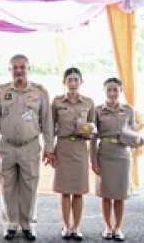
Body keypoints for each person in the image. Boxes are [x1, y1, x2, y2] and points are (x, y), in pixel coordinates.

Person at [0, 54, 54, 241]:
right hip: (7, 147)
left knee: (30, 186)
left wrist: (49, 147)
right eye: (14, 68)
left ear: (28, 69)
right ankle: (11, 223)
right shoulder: (1, 92)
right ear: (10, 71)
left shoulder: (39, 92)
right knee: (7, 186)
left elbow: (47, 122)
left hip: (30, 146)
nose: (18, 71)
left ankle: (28, 224)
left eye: (22, 67)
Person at [51, 67, 96, 241]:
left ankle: (76, 227)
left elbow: (93, 131)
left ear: (81, 82)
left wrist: (88, 134)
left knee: (78, 192)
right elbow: (50, 128)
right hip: (62, 147)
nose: (72, 83)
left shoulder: (89, 103)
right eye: (69, 79)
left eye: (76, 79)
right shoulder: (56, 102)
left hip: (79, 148)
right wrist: (50, 150)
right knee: (64, 192)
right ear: (64, 83)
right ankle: (66, 226)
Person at [91, 77, 135, 242]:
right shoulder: (97, 110)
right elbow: (93, 138)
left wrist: (136, 141)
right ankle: (108, 227)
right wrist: (93, 161)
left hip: (123, 155)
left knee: (119, 194)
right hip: (105, 154)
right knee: (106, 194)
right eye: (109, 90)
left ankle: (118, 228)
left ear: (121, 91)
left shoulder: (129, 110)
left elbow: (133, 134)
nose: (112, 93)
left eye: (115, 90)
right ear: (104, 92)